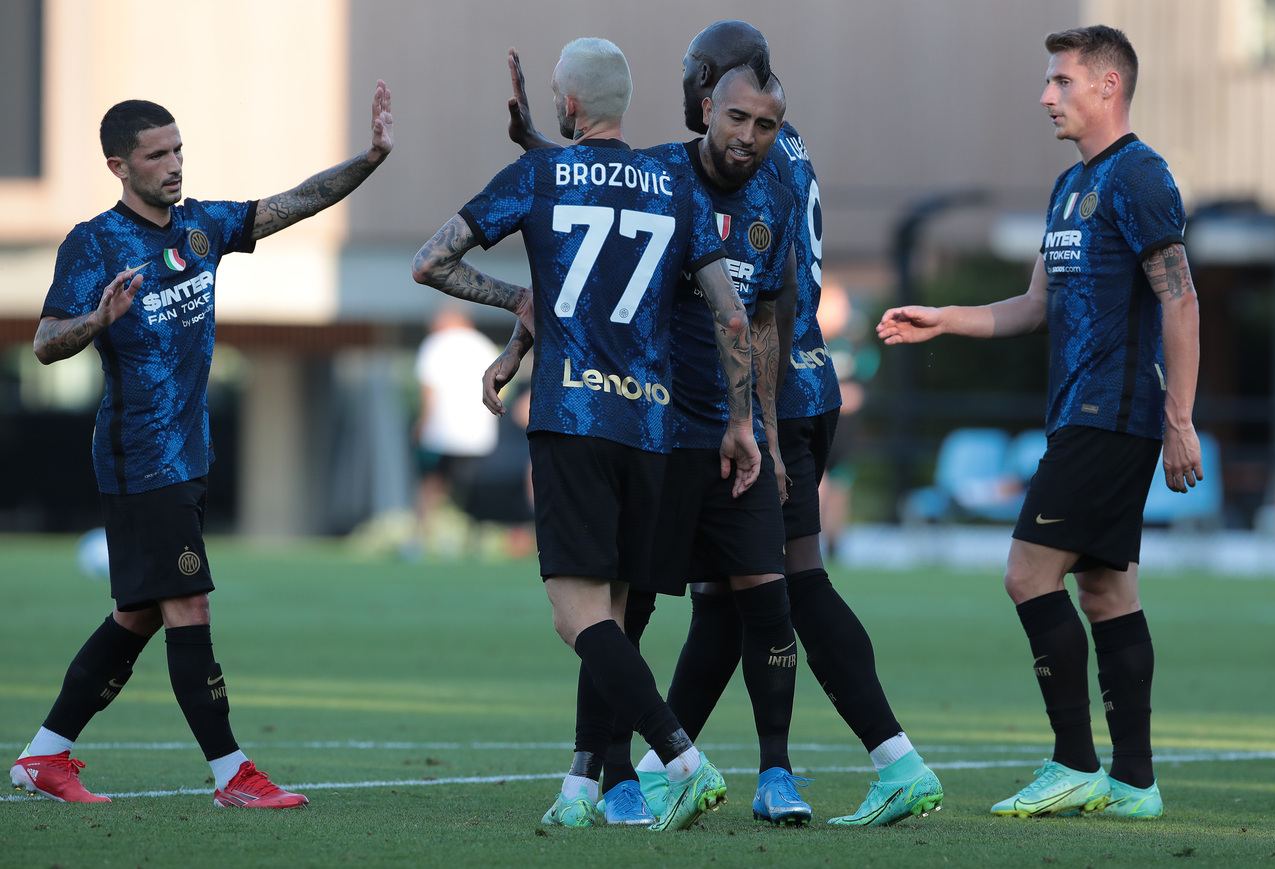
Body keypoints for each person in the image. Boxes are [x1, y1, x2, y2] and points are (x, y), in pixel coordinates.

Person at [497, 21, 944, 828]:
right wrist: (543, 145)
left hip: (754, 411)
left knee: (771, 590)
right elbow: (599, 219)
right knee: (690, 603)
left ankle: (792, 766)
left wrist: (759, 426)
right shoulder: (715, 164)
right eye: (736, 118)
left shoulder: (759, 174)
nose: (747, 133)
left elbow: (762, 311)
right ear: (712, 105)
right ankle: (625, 772)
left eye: (760, 122)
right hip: (704, 412)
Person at [11, 84, 395, 808]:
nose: (175, 164)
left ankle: (44, 755)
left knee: (139, 614)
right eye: (157, 155)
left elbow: (294, 203)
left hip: (188, 455)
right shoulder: (94, 243)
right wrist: (98, 319)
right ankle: (231, 774)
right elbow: (44, 343)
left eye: (179, 149)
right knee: (189, 605)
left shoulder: (200, 226)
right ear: (119, 166)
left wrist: (370, 159)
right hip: (140, 455)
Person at [411, 38, 760, 832]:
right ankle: (582, 785)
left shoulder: (538, 174)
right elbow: (733, 316)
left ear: (568, 105)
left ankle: (682, 759)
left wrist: (518, 301)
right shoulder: (674, 185)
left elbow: (431, 263)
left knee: (579, 618)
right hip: (653, 427)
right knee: (614, 616)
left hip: (572, 419)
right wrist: (740, 420)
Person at [877, 25, 1200, 820]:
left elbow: (1181, 299)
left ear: (1108, 87)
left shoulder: (1140, 175)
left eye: (1061, 80)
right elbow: (1033, 306)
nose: (1046, 95)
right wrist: (944, 318)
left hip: (1112, 414)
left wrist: (1180, 418)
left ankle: (1073, 761)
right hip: (1078, 414)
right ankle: (1134, 781)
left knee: (1027, 574)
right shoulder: (1068, 187)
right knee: (1106, 589)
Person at [410, 306, 500, 556]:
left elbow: (429, 390)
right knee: (472, 491)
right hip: (478, 435)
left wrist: (420, 425)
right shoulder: (484, 345)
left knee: (430, 486)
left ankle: (419, 541)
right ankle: (475, 543)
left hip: (439, 433)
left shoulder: (436, 344)